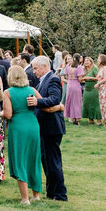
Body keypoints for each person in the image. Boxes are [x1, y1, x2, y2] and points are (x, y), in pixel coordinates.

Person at [2, 63, 42, 204]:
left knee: (20, 160)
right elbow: (41, 102)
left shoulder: (8, 93)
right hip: (32, 125)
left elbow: (8, 114)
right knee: (33, 158)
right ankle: (35, 195)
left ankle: (25, 199)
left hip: (18, 127)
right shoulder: (31, 89)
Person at [29, 56, 68, 200]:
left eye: (35, 68)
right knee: (46, 161)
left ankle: (60, 193)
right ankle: (51, 191)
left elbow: (54, 99)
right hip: (44, 126)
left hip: (52, 126)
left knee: (53, 161)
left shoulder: (53, 79)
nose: (34, 72)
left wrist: (36, 102)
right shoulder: (42, 81)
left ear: (44, 66)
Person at [60, 53, 84, 124]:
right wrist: (85, 79)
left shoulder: (68, 66)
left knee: (69, 101)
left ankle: (71, 117)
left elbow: (66, 77)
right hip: (76, 84)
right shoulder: (79, 67)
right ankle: (76, 119)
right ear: (78, 59)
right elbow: (80, 79)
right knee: (76, 102)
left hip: (69, 84)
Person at [80, 56, 100, 125]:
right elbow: (81, 79)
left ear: (91, 62)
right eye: (85, 61)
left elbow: (97, 78)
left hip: (93, 87)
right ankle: (90, 119)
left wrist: (89, 78)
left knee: (95, 103)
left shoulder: (94, 68)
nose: (86, 62)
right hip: (86, 88)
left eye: (87, 61)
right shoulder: (84, 70)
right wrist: (83, 79)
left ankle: (98, 120)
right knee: (86, 103)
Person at [95, 54, 106, 127]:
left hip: (105, 88)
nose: (97, 60)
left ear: (102, 60)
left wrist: (98, 83)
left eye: (98, 59)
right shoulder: (100, 68)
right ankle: (105, 120)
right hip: (101, 89)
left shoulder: (105, 67)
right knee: (102, 105)